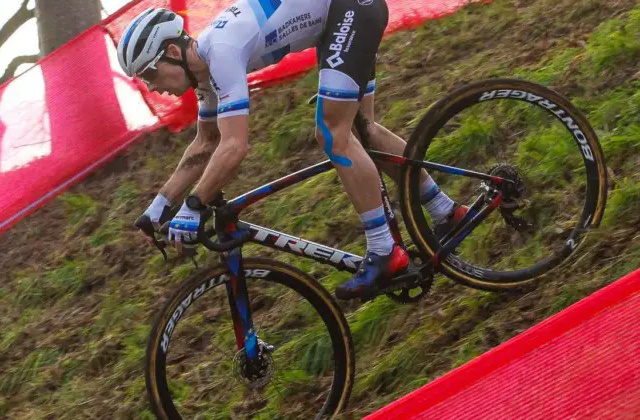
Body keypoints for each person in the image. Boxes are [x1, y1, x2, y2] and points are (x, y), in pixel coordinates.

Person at [117, 1, 466, 301]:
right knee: (364, 131)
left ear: (173, 53)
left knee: (332, 133)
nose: (150, 86)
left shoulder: (220, 50)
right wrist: (159, 207)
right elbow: (206, 143)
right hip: (340, 20)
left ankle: (383, 250)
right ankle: (445, 212)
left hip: (348, 11)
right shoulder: (205, 73)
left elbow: (235, 146)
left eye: (149, 73)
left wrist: (194, 206)